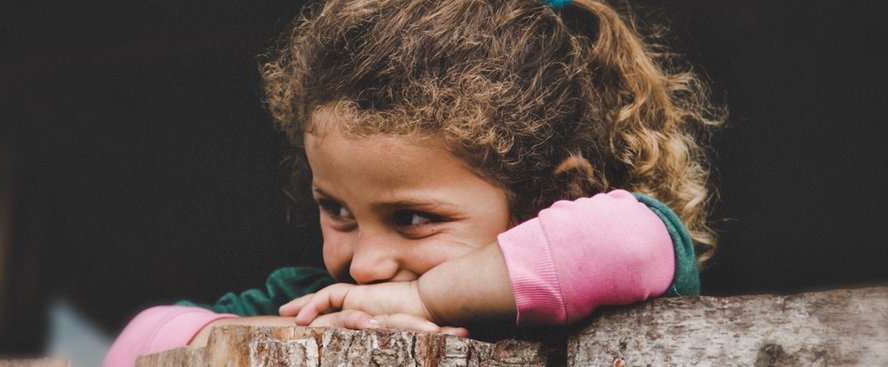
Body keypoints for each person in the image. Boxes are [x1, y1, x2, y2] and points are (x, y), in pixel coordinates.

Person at [104, 0, 722, 364]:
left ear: (551, 198)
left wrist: (421, 302)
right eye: (338, 210)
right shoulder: (318, 298)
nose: (366, 265)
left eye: (413, 218)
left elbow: (636, 239)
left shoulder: (590, 294)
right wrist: (295, 335)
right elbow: (132, 345)